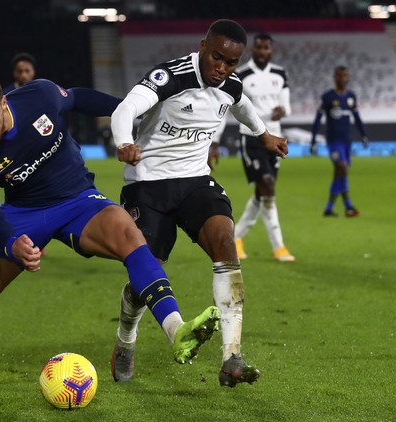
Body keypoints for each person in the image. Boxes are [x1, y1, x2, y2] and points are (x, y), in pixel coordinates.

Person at [0, 73, 220, 387]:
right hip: (23, 214)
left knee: (129, 233)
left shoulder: (40, 96)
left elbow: (77, 98)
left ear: (3, 103)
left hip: (79, 199)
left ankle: (177, 330)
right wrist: (12, 241)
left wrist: (129, 111)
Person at [110, 19, 288, 388]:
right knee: (147, 274)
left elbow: (243, 106)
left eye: (231, 63)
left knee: (226, 242)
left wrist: (265, 135)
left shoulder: (231, 86)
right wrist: (123, 141)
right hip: (149, 184)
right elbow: (125, 108)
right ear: (202, 46)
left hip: (194, 182)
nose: (222, 68)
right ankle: (126, 339)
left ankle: (232, 357)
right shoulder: (170, 77)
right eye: (217, 58)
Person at [234, 33, 294, 262]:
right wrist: (216, 141)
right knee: (267, 186)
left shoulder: (280, 74)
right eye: (258, 47)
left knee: (263, 193)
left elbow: (286, 106)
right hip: (252, 137)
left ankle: (236, 237)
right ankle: (279, 246)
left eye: (266, 48)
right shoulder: (241, 75)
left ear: (271, 50)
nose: (261, 51)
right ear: (252, 50)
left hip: (276, 137)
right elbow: (232, 106)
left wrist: (283, 111)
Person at [310, 65, 368, 217]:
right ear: (335, 78)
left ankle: (329, 208)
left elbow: (357, 117)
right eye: (340, 76)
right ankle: (348, 205)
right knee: (342, 168)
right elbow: (317, 119)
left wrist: (363, 135)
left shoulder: (351, 97)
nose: (343, 78)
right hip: (334, 142)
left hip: (346, 142)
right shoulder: (328, 97)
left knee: (339, 173)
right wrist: (313, 139)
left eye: (345, 76)